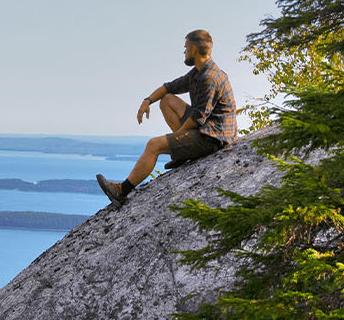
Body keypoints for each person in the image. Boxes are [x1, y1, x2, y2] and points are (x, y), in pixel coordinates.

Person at [96, 29, 239, 207]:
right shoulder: (198, 72)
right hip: (208, 127)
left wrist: (175, 138)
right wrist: (147, 101)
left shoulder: (209, 78)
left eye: (186, 47)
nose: (184, 51)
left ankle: (121, 191)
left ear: (194, 49)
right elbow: (169, 87)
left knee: (154, 145)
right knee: (167, 100)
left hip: (214, 137)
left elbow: (198, 118)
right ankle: (182, 153)